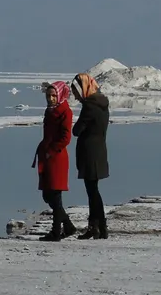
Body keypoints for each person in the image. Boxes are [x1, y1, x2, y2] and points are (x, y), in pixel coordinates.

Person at [33, 80, 77, 241]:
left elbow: (66, 137)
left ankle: (56, 231)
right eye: (48, 95)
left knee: (55, 195)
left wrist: (51, 151)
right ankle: (69, 226)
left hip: (56, 157)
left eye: (53, 95)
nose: (50, 98)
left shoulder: (65, 111)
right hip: (47, 155)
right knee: (47, 195)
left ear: (59, 95)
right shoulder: (50, 110)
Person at [71, 72, 110, 239]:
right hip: (99, 151)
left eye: (76, 91)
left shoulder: (90, 106)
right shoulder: (102, 104)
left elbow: (77, 130)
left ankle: (98, 227)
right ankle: (98, 227)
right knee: (93, 190)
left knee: (92, 191)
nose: (75, 96)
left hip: (90, 153)